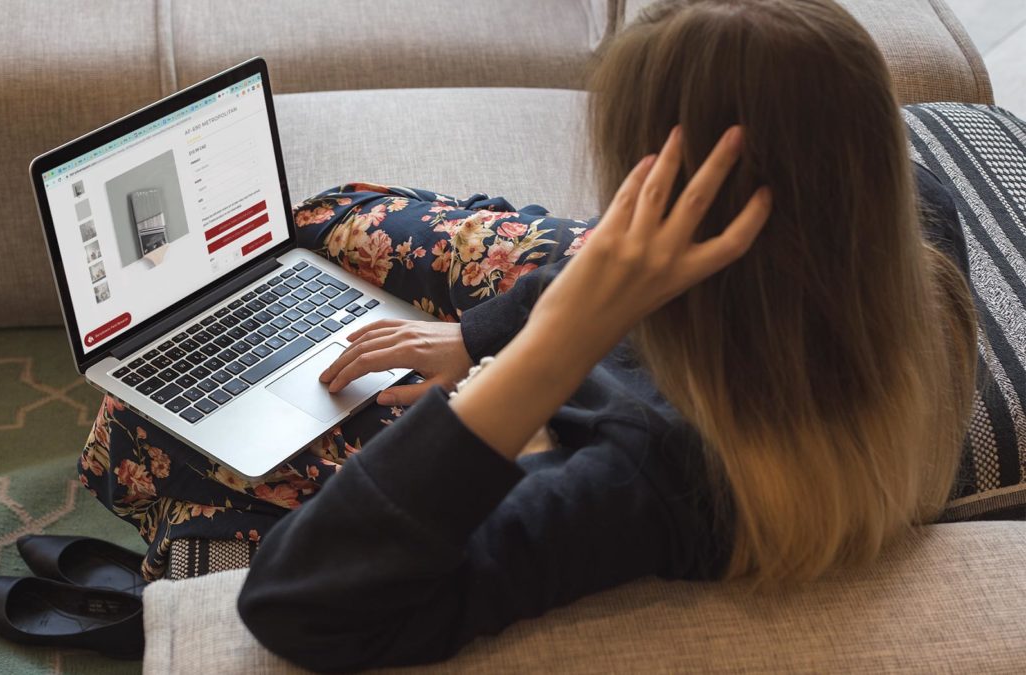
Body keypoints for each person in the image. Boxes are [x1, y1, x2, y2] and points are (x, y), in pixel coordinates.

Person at [80, 0, 977, 670]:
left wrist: (546, 349)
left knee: (148, 436)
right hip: (633, 336)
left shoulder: (648, 476)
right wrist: (476, 335)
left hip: (578, 388)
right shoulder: (908, 235)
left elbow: (294, 603)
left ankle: (156, 577)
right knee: (325, 223)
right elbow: (613, 249)